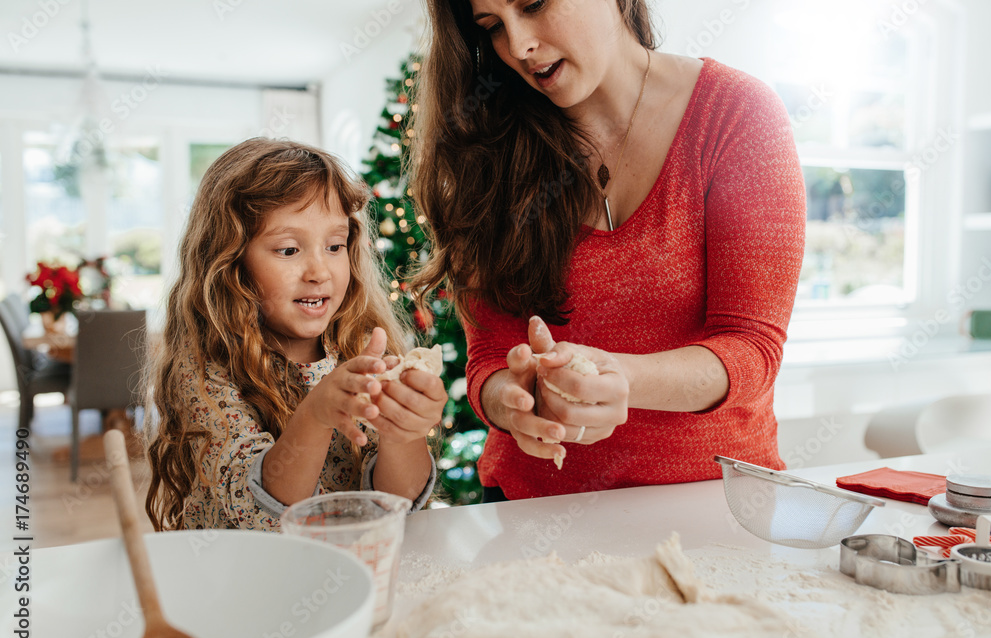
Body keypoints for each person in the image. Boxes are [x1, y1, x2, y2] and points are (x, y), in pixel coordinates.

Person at [409, 0, 807, 500]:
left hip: (713, 501)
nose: (518, 47)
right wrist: (510, 403)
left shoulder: (736, 114)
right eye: (491, 27)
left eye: (533, 5)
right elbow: (488, 356)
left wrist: (621, 376)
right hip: (534, 508)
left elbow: (752, 346)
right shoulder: (487, 142)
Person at [145, 138, 445, 530]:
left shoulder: (358, 346)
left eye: (335, 246)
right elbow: (262, 514)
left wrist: (404, 432)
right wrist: (317, 415)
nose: (319, 271)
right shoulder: (204, 370)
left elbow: (394, 506)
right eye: (289, 250)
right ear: (231, 261)